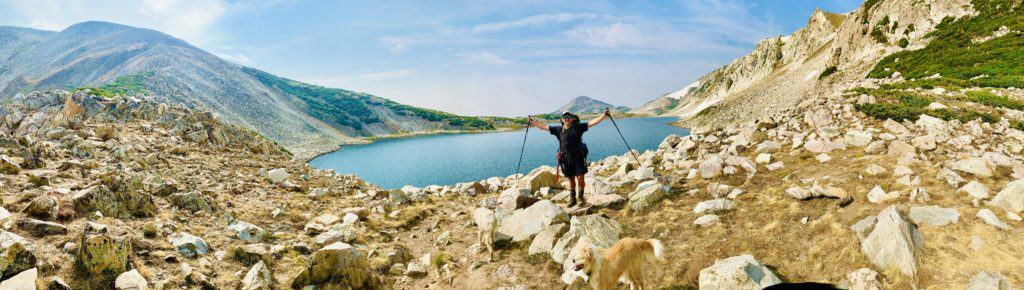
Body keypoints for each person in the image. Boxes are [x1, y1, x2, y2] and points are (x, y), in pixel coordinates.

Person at [529, 108, 610, 207]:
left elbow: (592, 123)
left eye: (568, 117)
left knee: (580, 178)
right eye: (565, 117)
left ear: (571, 119)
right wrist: (533, 122)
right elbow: (543, 127)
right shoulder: (558, 130)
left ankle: (580, 198)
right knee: (571, 180)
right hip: (565, 160)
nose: (566, 119)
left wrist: (604, 116)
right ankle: (572, 199)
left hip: (578, 158)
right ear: (562, 120)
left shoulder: (578, 128)